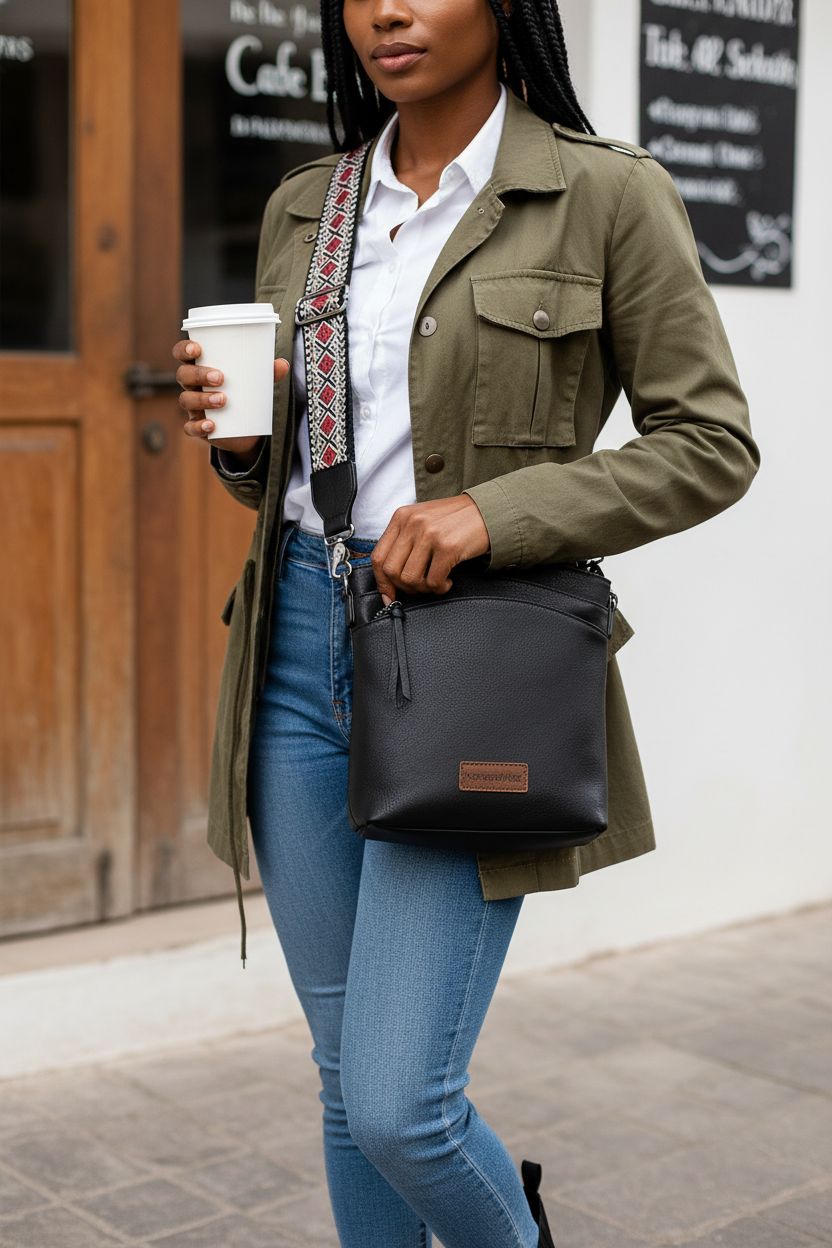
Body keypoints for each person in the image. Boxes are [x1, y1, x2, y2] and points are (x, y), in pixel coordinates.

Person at [172, 1, 760, 1244]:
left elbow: (708, 445)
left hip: (467, 670)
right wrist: (239, 442)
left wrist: (492, 514)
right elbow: (293, 465)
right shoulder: (310, 207)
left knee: (402, 1105)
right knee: (344, 1085)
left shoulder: (606, 195)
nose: (386, 10)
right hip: (291, 659)